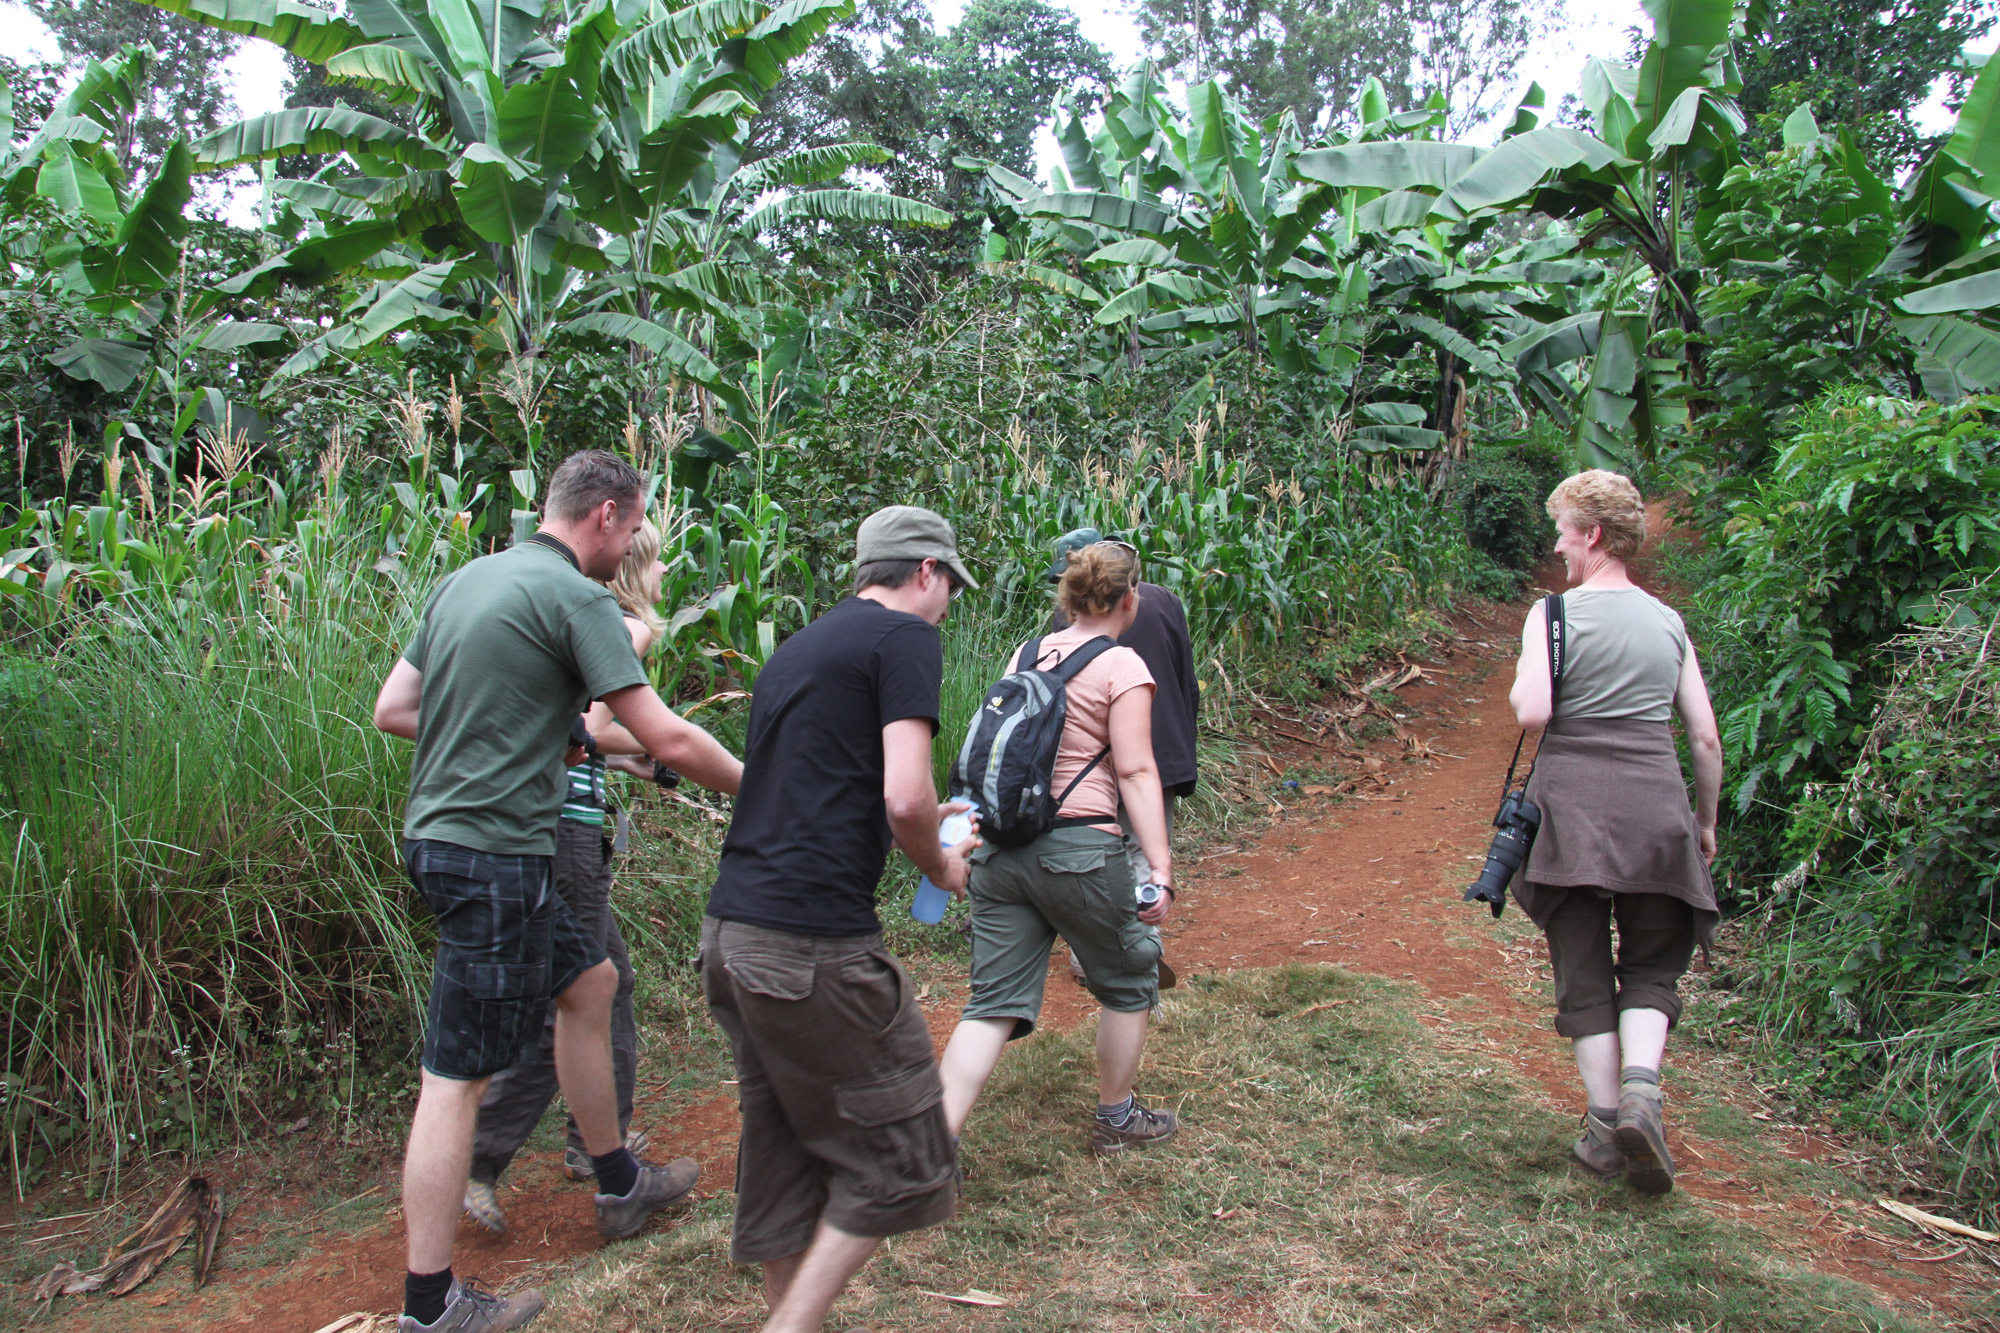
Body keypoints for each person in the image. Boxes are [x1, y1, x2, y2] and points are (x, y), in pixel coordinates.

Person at [373, 452, 743, 1333]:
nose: (631, 548)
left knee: (591, 981)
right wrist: (764, 786)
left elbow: (396, 706)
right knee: (455, 1078)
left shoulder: (469, 580)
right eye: (634, 526)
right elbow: (665, 733)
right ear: (608, 515)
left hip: (453, 841)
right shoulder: (578, 596)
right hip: (493, 853)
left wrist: (535, 729)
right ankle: (431, 1309)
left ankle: (618, 1178)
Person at [700, 505, 979, 1333]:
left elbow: (816, 778)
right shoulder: (905, 640)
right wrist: (941, 862)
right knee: (906, 1155)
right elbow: (904, 793)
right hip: (812, 945)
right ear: (925, 569)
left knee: (783, 1154)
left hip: (733, 933)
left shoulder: (798, 648)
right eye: (949, 586)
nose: (948, 605)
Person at [1506, 469, 1722, 1197]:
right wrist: (1704, 821)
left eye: (1563, 529)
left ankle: (1604, 1129)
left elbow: (1533, 712)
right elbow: (1705, 739)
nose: (1557, 544)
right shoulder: (1668, 622)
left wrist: (1521, 681)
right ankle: (1642, 1093)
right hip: (1656, 805)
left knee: (1583, 964)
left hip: (1570, 810)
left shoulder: (1554, 616)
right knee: (1655, 961)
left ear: (1592, 534)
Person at [461, 517, 670, 1235]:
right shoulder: (626, 624)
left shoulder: (561, 613)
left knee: (605, 983)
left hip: (538, 821)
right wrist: (653, 742)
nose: (666, 574)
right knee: (583, 992)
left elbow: (574, 733)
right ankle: (484, 1157)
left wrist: (633, 761)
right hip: (567, 829)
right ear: (638, 561)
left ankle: (596, 1142)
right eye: (661, 559)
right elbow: (588, 723)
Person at [938, 540, 1178, 1156]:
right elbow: (1136, 773)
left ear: (1069, 597)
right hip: (1080, 852)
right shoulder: (1122, 666)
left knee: (990, 1003)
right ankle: (1117, 1120)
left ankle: (931, 1146)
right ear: (1130, 601)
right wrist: (1160, 863)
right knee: (1129, 978)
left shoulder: (1027, 653)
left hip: (1000, 848)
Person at [1044, 527, 1198, 992]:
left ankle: (1097, 952)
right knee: (1141, 851)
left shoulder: (1066, 623)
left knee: (1103, 851)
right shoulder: (1166, 600)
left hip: (1097, 759)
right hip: (1161, 747)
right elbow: (1186, 677)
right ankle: (1135, 953)